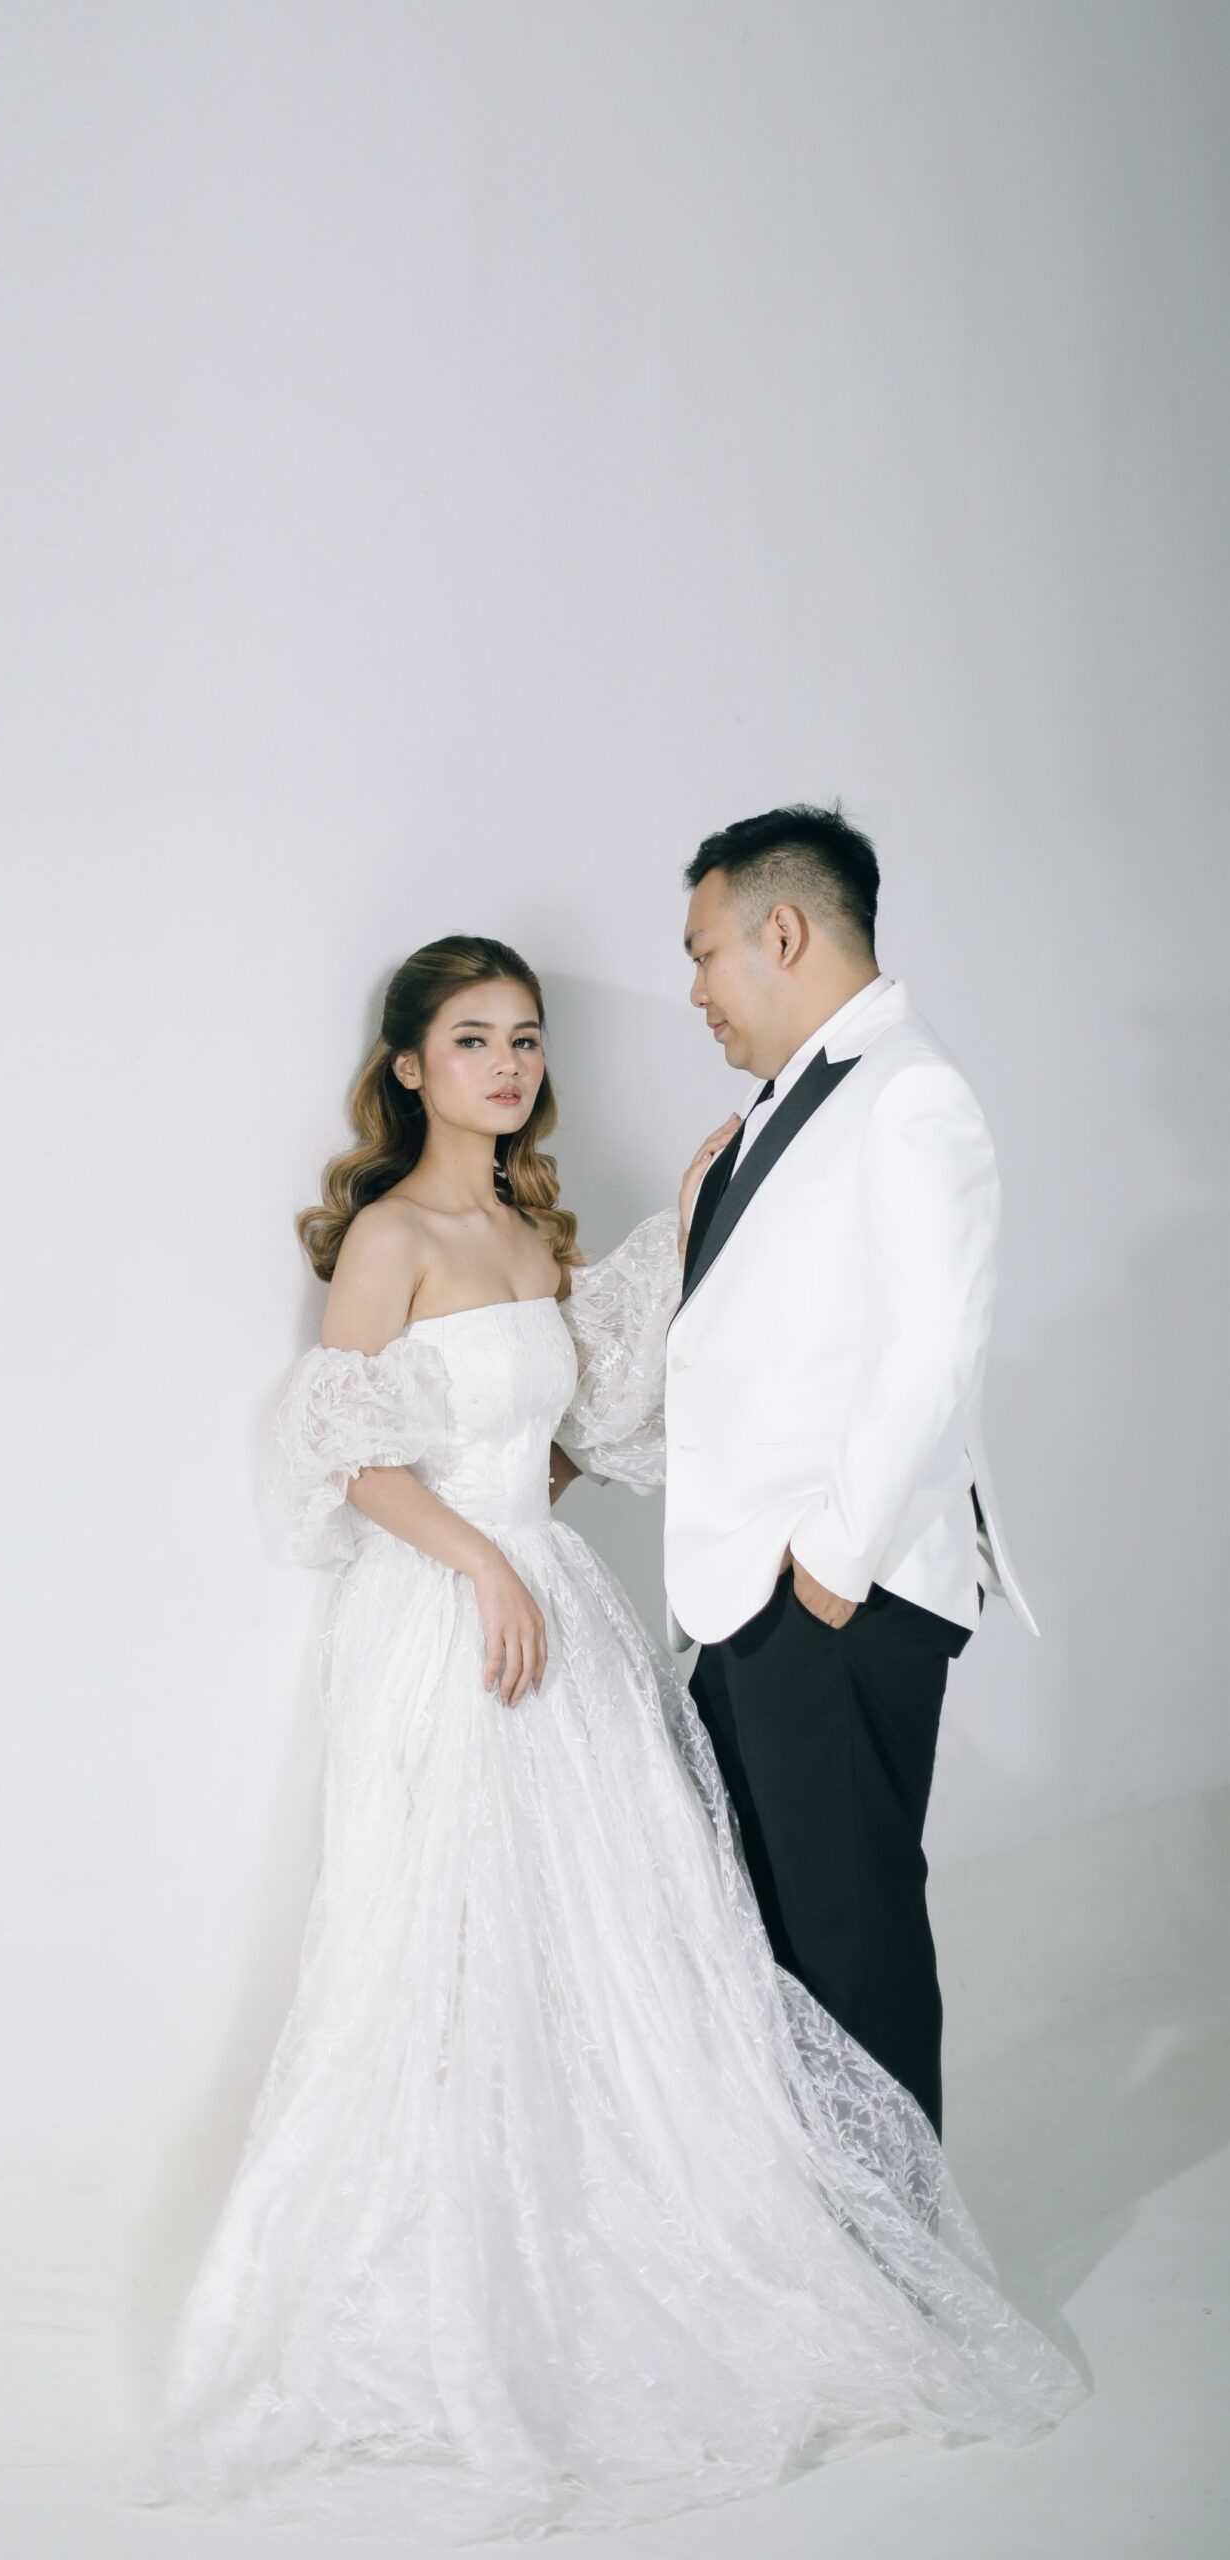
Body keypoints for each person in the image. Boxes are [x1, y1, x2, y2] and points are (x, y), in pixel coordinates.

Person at [128, 933, 1081, 2543]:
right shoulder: (391, 1233)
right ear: (408, 1067)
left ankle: (668, 2242)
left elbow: (565, 1432)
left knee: (623, 1942)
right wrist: (485, 1563)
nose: (507, 1065)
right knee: (447, 1943)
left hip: (551, 1610)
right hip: (448, 1620)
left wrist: (690, 1228)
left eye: (524, 1039)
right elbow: (347, 1449)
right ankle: (440, 2277)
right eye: (471, 1039)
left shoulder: (524, 1233)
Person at [586, 804, 1019, 2142]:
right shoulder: (788, 1107)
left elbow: (934, 1346)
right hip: (756, 1595)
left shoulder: (908, 1091)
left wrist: (828, 1562)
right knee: (770, 1946)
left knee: (848, 1943)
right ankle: (817, 2236)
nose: (695, 989)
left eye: (702, 952)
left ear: (782, 931)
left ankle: (897, 2253)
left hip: (833, 1591)